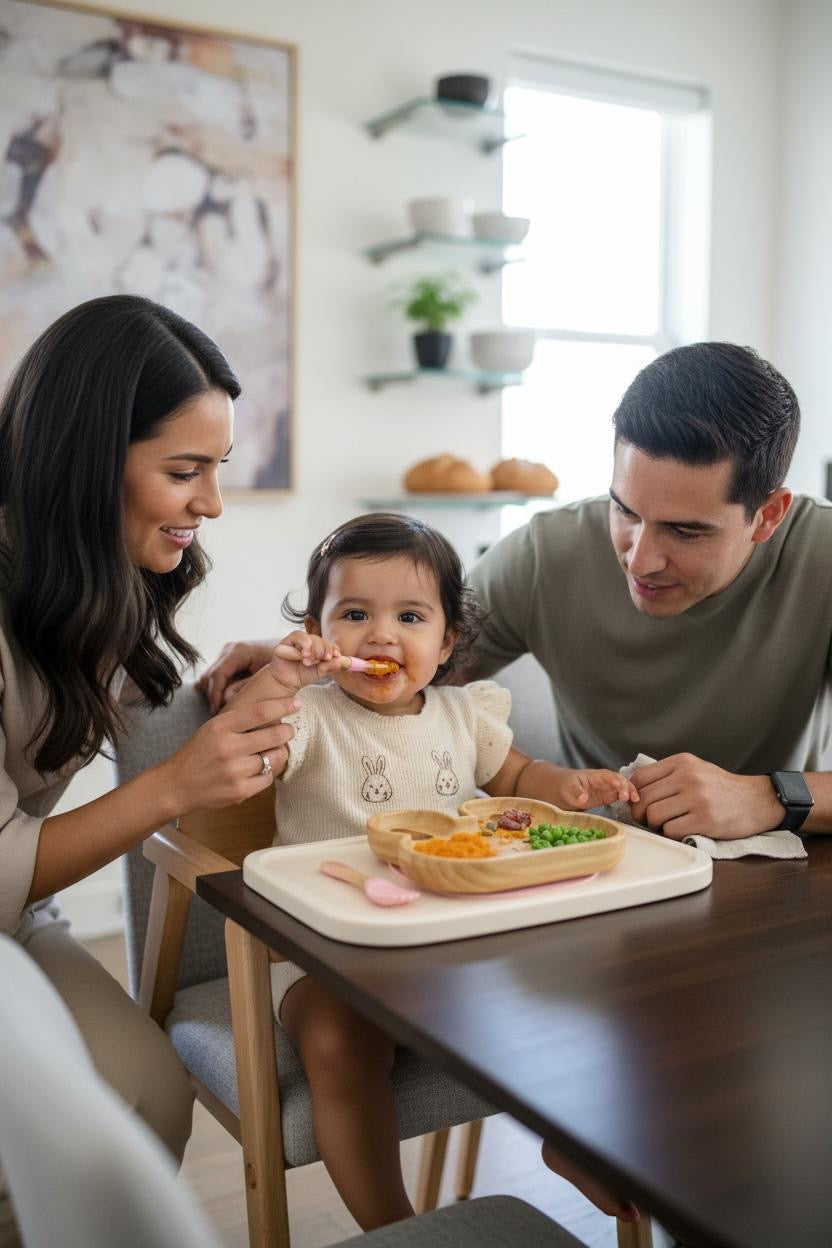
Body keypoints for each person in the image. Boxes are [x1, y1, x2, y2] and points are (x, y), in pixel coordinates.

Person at [219, 511, 638, 1231]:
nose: (381, 635)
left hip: (453, 949)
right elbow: (242, 748)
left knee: (567, 994)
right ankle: (397, 1229)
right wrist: (274, 681)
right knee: (338, 1040)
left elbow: (516, 775)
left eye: (409, 616)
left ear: (446, 644)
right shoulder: (308, 717)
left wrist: (566, 788)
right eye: (354, 613)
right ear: (319, 631)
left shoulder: (463, 714)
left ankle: (573, 1143)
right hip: (328, 960)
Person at [0, 295, 296, 1244]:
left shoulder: (92, 579)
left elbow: (96, 708)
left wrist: (250, 674)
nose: (210, 504)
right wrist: (171, 789)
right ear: (90, 462)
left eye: (217, 469)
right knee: (74, 1142)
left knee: (150, 1097)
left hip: (17, 920)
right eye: (184, 471)